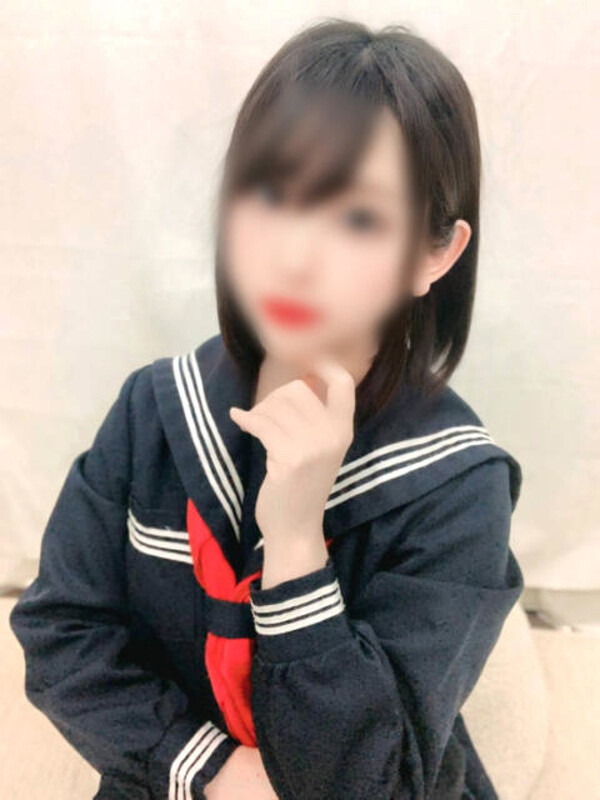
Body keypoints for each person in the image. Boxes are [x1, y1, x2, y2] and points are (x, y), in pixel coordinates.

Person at [9, 18, 525, 800]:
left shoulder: (458, 484)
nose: (294, 255)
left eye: (357, 218)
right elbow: (61, 631)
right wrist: (206, 766)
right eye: (272, 194)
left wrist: (293, 541)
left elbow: (365, 780)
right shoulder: (155, 411)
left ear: (435, 255)